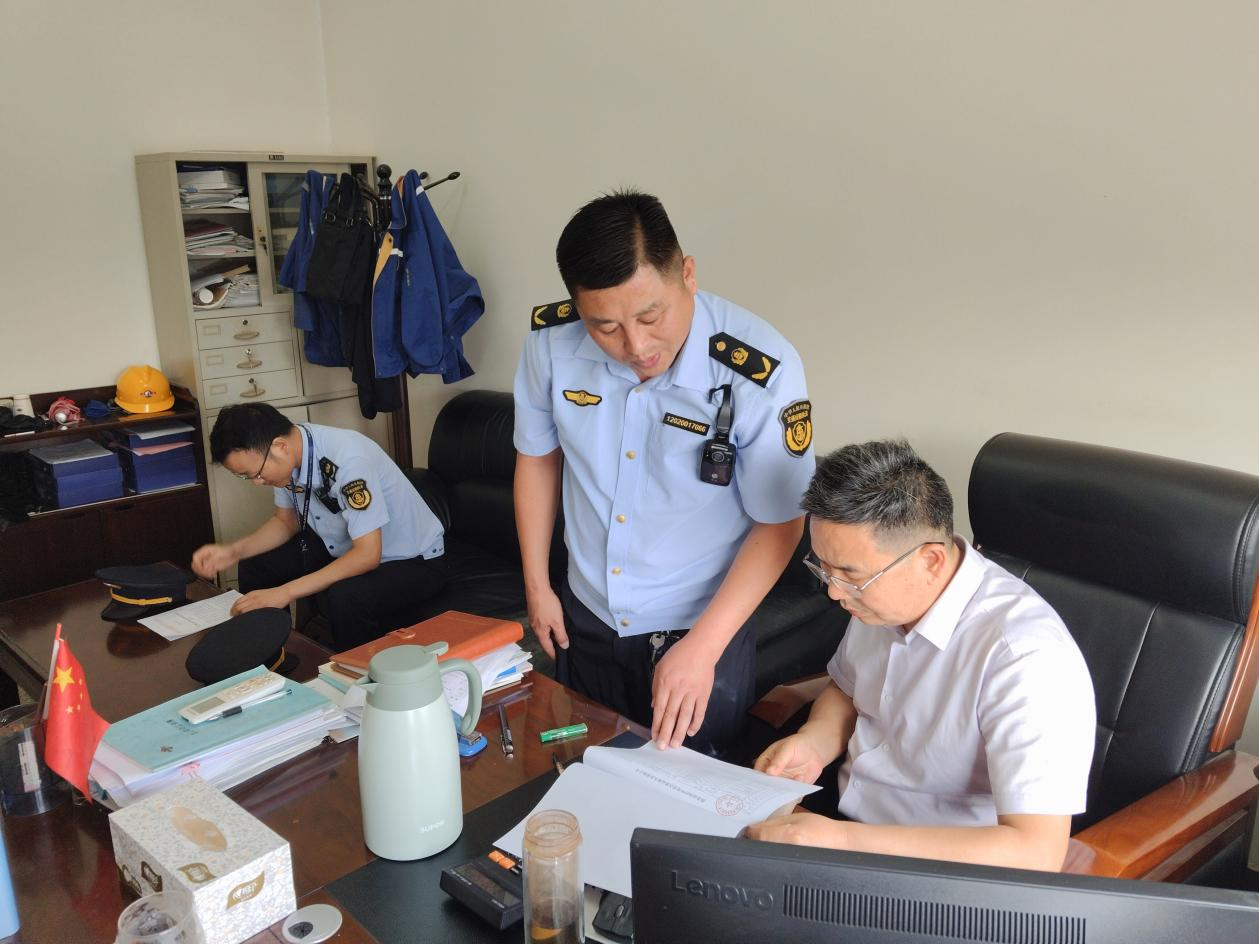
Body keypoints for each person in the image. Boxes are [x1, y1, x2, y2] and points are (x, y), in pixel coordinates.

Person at [513, 190, 815, 755]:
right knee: (583, 772)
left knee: (687, 797)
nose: (636, 346)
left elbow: (781, 523)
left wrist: (703, 648)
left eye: (651, 317)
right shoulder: (550, 344)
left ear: (688, 275)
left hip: (700, 626)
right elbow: (537, 456)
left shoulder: (759, 369)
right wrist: (537, 585)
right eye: (605, 327)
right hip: (585, 615)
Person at [745, 440, 1095, 871]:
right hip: (840, 822)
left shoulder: (1025, 658)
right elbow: (847, 687)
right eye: (824, 569)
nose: (834, 593)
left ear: (930, 561)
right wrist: (816, 742)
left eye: (850, 576)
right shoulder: (879, 596)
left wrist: (841, 841)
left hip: (942, 870)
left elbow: (1036, 852)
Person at [192, 403, 448, 649]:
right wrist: (233, 551)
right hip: (343, 543)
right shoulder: (291, 452)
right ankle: (271, 660)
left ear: (280, 447)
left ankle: (355, 673)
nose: (256, 482)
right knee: (256, 563)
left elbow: (368, 555)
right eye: (246, 476)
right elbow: (286, 521)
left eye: (256, 474)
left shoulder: (348, 460)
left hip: (412, 560)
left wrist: (284, 592)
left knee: (345, 596)